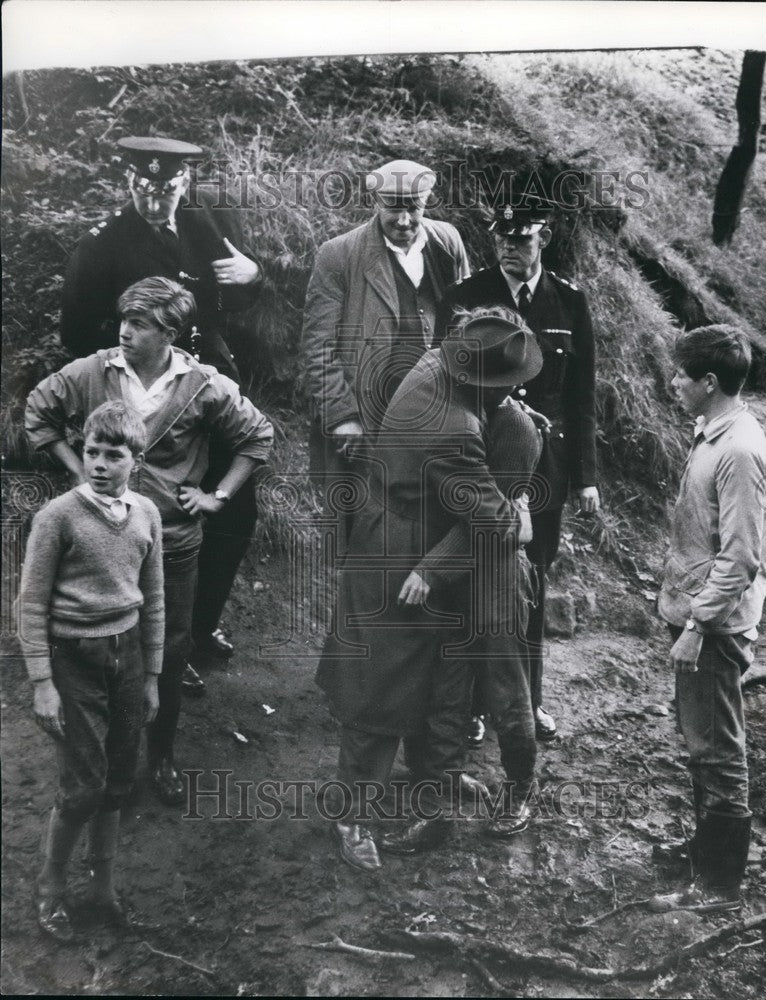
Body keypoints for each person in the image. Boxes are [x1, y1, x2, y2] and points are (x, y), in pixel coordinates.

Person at [27, 277, 274, 806]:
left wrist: (217, 497)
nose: (125, 332)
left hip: (174, 540)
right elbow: (39, 412)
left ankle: (161, 756)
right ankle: (103, 762)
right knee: (97, 642)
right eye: (124, 321)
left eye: (138, 324)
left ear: (169, 332)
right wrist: (77, 473)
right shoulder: (93, 371)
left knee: (169, 644)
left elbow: (258, 436)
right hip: (98, 538)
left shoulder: (205, 384)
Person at [316, 311, 543, 871]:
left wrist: (505, 414)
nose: (516, 391)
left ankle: (431, 781)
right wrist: (523, 515)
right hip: (397, 558)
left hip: (402, 536)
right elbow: (493, 523)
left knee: (432, 677)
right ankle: (352, 816)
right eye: (506, 385)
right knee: (378, 689)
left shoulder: (434, 360)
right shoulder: (454, 432)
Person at [60, 135, 265, 690]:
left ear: (184, 182)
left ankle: (198, 629)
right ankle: (150, 643)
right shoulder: (102, 245)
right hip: (144, 400)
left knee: (234, 508)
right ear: (129, 183)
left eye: (167, 187)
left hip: (211, 388)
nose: (156, 199)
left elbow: (237, 301)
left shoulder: (209, 224)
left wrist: (255, 276)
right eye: (144, 188)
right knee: (150, 519)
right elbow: (76, 335)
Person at [437, 191, 599, 742]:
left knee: (531, 581)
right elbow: (447, 381)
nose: (510, 248)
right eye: (502, 239)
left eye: (522, 239)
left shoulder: (569, 301)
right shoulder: (466, 296)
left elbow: (581, 398)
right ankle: (475, 705)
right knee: (476, 574)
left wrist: (587, 477)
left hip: (545, 466)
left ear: (543, 239)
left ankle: (528, 702)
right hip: (483, 459)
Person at [19, 402, 164, 942]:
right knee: (84, 784)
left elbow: (154, 599)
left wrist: (151, 675)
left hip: (126, 657)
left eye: (114, 454)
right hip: (74, 657)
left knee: (119, 780)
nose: (100, 464)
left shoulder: (146, 515)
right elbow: (30, 603)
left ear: (136, 461)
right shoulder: (57, 517)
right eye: (92, 452)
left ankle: (102, 887)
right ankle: (51, 886)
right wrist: (42, 683)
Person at [648, 325, 766, 913]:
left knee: (718, 747)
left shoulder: (740, 451)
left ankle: (719, 885)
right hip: (701, 614)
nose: (672, 382)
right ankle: (705, 849)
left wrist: (698, 627)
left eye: (681, 375)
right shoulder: (714, 434)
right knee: (701, 740)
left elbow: (744, 555)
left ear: (709, 383)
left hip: (716, 627)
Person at [302, 158, 469, 555]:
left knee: (426, 535)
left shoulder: (447, 243)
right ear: (375, 202)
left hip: (434, 419)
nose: (404, 219)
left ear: (427, 203)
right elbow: (318, 346)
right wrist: (343, 417)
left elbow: (468, 325)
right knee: (364, 540)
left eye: (414, 207)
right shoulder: (339, 255)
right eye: (393, 206)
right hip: (367, 424)